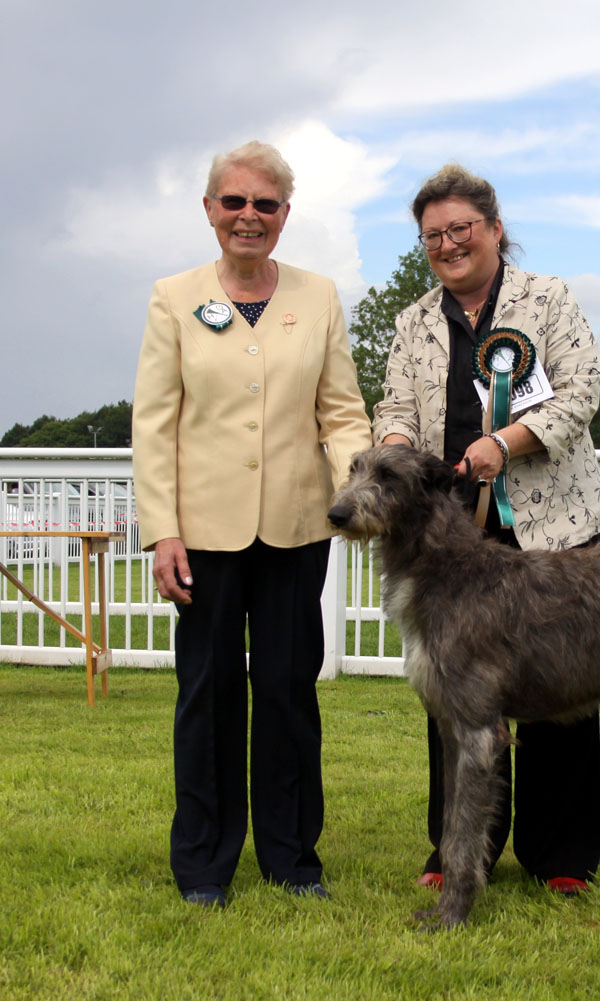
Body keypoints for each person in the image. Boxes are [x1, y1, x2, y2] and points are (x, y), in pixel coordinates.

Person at [132, 141, 372, 908]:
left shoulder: (320, 296)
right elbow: (155, 424)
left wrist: (361, 492)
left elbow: (341, 413)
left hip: (298, 528)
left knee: (287, 692)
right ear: (210, 210)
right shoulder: (174, 297)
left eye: (265, 205)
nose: (248, 217)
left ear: (285, 216)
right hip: (201, 533)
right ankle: (203, 864)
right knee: (205, 694)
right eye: (234, 202)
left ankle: (293, 856)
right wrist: (161, 530)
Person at [373, 163, 600, 894]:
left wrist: (505, 442)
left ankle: (562, 855)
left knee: (564, 690)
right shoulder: (414, 321)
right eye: (433, 235)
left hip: (552, 528)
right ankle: (456, 848)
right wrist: (395, 446)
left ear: (495, 229)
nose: (448, 244)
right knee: (453, 697)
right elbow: (395, 405)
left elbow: (580, 394)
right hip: (449, 540)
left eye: (461, 229)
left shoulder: (547, 298)